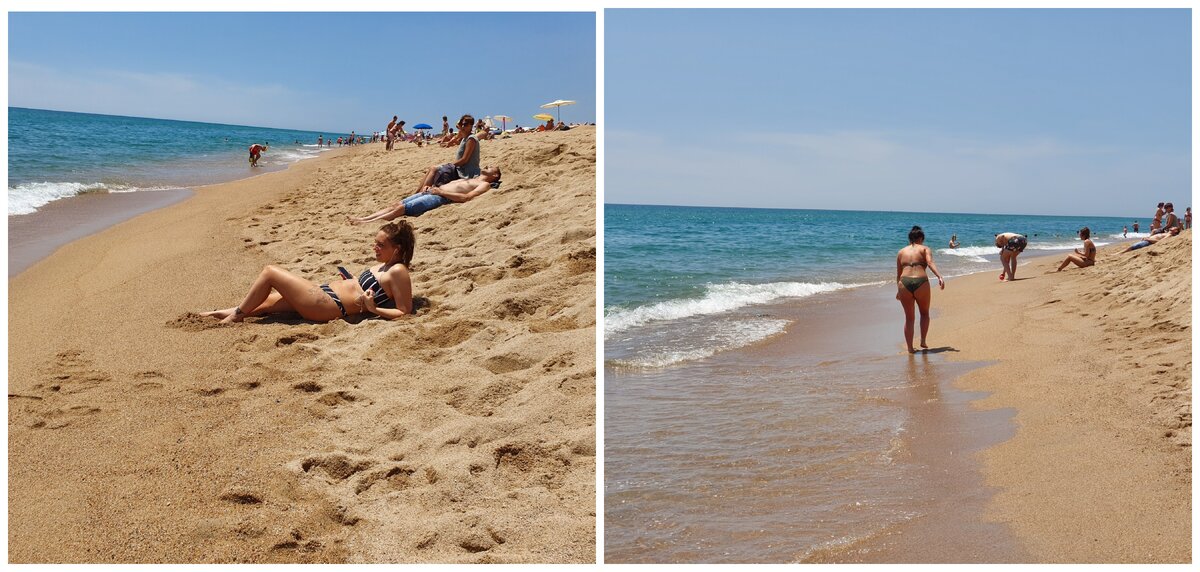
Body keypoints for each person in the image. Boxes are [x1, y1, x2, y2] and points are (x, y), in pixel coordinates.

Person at [200, 222, 415, 323]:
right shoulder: (386, 264)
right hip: (324, 294)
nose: (374, 248)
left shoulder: (398, 271)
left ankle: (235, 317)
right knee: (263, 304)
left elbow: (404, 311)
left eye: (380, 245)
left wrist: (373, 308)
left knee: (270, 272)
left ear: (396, 249)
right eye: (375, 243)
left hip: (329, 305)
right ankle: (221, 313)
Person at [347, 167, 502, 224]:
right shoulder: (474, 178)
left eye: (491, 168)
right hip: (435, 191)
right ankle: (364, 218)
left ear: (495, 175)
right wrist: (435, 187)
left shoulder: (485, 184)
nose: (486, 166)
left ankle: (368, 223)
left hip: (441, 197)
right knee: (395, 204)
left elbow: (467, 197)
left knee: (401, 208)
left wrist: (441, 192)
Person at [895, 225, 945, 354]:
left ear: (910, 238)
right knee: (924, 313)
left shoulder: (901, 252)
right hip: (920, 282)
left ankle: (910, 348)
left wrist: (898, 290)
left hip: (904, 283)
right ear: (921, 238)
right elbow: (930, 263)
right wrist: (939, 276)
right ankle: (923, 340)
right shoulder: (925, 249)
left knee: (909, 318)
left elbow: (899, 273)